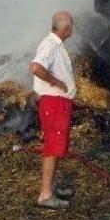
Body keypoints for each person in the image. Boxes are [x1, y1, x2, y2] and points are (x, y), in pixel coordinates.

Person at [31, 11, 76, 209]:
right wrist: (57, 82)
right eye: (71, 25)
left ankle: (50, 188)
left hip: (58, 103)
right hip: (53, 102)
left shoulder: (57, 44)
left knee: (55, 147)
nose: (72, 28)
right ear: (65, 28)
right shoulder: (49, 45)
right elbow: (36, 68)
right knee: (51, 149)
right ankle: (45, 195)